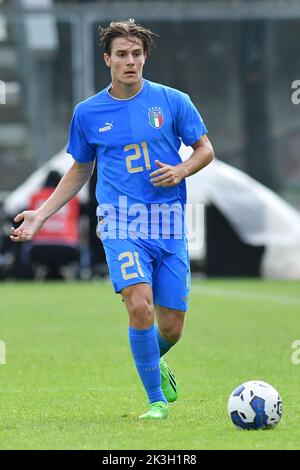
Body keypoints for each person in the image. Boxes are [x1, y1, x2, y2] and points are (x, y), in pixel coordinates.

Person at [10, 19, 214, 419]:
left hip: (170, 225)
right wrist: (40, 214)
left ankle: (154, 362)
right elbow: (79, 170)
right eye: (121, 54)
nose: (130, 61)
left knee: (171, 328)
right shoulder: (88, 113)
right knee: (140, 307)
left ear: (144, 58)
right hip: (121, 225)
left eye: (136, 54)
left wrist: (182, 169)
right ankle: (156, 401)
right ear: (107, 59)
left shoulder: (173, 101)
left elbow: (204, 149)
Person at [28, 170, 80, 279]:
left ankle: (37, 276)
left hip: (39, 247)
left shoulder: (35, 197)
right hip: (67, 247)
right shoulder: (72, 198)